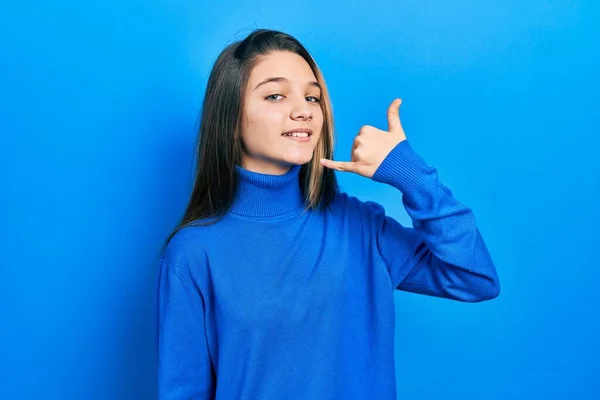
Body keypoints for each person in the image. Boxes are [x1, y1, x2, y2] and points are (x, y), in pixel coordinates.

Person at [156, 28, 500, 400]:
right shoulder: (192, 253)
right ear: (231, 118)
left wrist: (411, 176)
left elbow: (475, 277)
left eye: (312, 96)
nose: (303, 110)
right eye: (275, 95)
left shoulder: (360, 227)